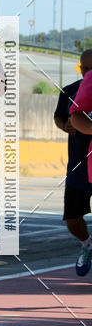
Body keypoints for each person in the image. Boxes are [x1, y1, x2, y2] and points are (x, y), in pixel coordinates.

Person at [54, 51, 92, 276]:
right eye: (84, 68)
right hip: (78, 165)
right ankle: (87, 245)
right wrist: (65, 125)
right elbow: (59, 117)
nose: (88, 73)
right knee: (72, 219)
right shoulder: (69, 91)